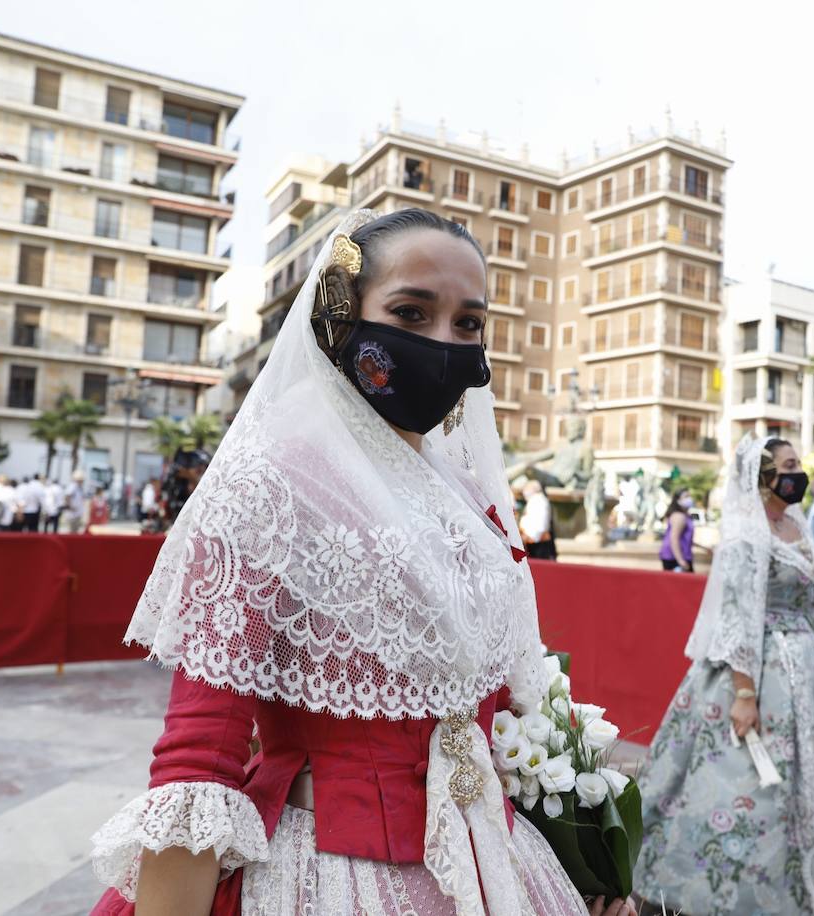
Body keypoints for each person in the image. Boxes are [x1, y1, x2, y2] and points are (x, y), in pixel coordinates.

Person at [90, 209, 625, 916]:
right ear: (342, 319)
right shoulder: (274, 482)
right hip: (334, 875)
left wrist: (582, 854)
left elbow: (505, 708)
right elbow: (201, 752)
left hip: (500, 863)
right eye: (411, 310)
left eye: (469, 323)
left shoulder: (468, 499)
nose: (444, 341)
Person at [635, 435, 814, 915]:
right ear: (763, 477)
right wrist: (744, 692)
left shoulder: (795, 525)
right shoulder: (744, 535)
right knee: (746, 780)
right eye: (789, 466)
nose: (798, 474)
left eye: (798, 465)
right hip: (760, 667)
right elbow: (738, 614)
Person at [518, 477, 558, 560]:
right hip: (533, 540)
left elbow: (540, 524)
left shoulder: (539, 500)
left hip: (537, 541)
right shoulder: (536, 500)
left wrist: (530, 536)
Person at [659, 487, 697, 572]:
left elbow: (685, 538)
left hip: (681, 556)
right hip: (675, 558)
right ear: (678, 500)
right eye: (686, 496)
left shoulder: (687, 515)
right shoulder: (679, 517)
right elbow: (674, 538)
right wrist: (680, 560)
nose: (689, 499)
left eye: (689, 496)